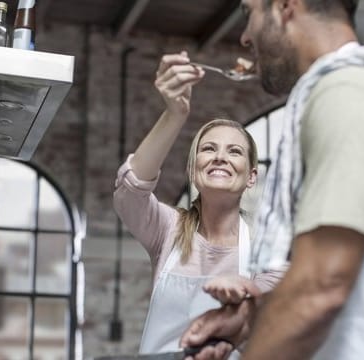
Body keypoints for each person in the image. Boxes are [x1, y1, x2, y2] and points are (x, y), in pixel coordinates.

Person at [179, 0, 364, 359]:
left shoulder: (349, 92)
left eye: (248, 13)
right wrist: (252, 322)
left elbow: (322, 286)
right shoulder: (351, 90)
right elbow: (355, 269)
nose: (244, 37)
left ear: (287, 6)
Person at [112, 51, 283, 356]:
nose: (220, 157)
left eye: (234, 152)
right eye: (208, 149)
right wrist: (174, 113)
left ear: (251, 176)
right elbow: (131, 190)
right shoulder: (167, 229)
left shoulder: (265, 249)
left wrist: (247, 296)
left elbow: (271, 327)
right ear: (193, 169)